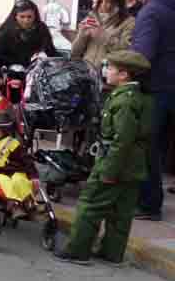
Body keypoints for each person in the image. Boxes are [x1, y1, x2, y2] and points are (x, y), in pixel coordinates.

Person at [55, 51, 152, 264]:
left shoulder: (124, 102)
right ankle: (112, 254)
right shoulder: (140, 97)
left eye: (110, 68)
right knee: (120, 211)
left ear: (124, 74)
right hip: (133, 165)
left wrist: (109, 171)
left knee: (90, 205)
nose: (105, 71)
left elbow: (122, 140)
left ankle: (78, 251)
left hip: (115, 163)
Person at [131, 0, 175, 221]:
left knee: (149, 147)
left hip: (156, 88)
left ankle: (149, 204)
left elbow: (142, 56)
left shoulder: (151, 12)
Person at [0, 106, 40, 218]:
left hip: (15, 170)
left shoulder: (12, 143)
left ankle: (29, 204)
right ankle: (14, 206)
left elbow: (27, 161)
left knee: (20, 180)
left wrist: (34, 176)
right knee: (5, 183)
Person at [70, 0, 135, 77]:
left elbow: (126, 51)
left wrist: (104, 37)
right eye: (100, 1)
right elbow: (74, 53)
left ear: (117, 3)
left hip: (109, 77)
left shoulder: (129, 22)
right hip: (86, 73)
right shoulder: (91, 17)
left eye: (108, 1)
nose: (103, 5)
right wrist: (81, 35)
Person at [0, 0, 57, 73]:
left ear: (35, 16)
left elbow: (50, 51)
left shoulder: (41, 29)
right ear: (15, 16)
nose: (26, 21)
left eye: (29, 17)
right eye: (22, 17)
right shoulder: (6, 31)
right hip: (10, 73)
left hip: (36, 72)